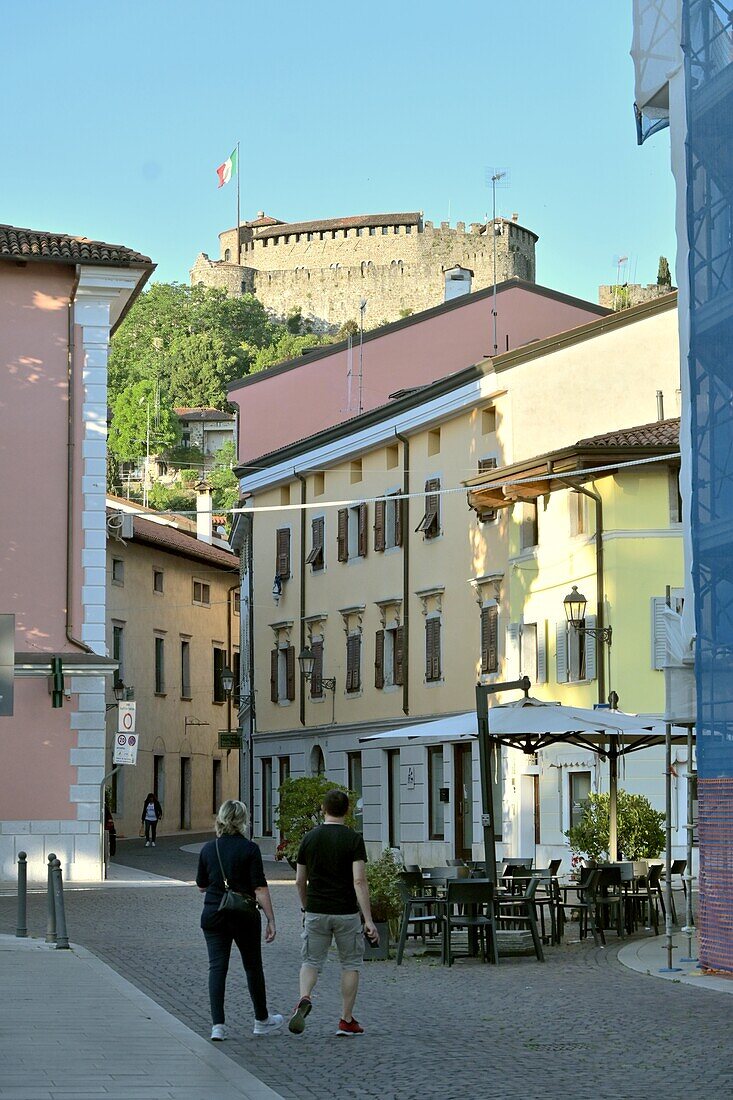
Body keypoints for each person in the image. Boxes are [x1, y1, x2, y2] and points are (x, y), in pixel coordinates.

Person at [289, 788, 378, 1037]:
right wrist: (368, 919)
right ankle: (346, 1020)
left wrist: (307, 906)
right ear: (347, 811)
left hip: (317, 909)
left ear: (322, 809)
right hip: (345, 912)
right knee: (350, 964)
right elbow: (359, 881)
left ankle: (305, 996)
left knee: (311, 961)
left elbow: (299, 880)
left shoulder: (309, 838)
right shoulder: (353, 839)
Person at [196, 799, 283, 1040]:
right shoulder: (250, 849)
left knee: (217, 968)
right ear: (242, 820)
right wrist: (271, 919)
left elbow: (201, 886)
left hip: (214, 914)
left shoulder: (208, 849)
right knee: (253, 966)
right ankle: (261, 1019)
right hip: (244, 915)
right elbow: (260, 888)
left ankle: (218, 1026)